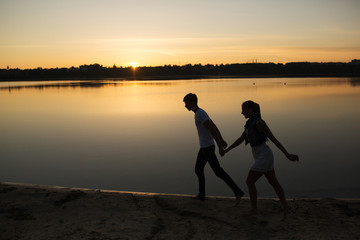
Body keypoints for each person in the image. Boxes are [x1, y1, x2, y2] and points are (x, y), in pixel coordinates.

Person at [224, 100, 299, 219]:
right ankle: (286, 207)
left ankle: (254, 210)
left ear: (250, 110)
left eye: (244, 110)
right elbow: (241, 139)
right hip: (259, 155)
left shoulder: (259, 123)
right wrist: (227, 150)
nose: (242, 112)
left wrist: (287, 154)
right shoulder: (249, 123)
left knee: (250, 181)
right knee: (273, 182)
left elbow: (274, 139)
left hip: (264, 155)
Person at [183, 93, 244, 206]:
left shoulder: (200, 114)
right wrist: (221, 140)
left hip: (208, 148)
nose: (185, 106)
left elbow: (211, 128)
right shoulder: (200, 113)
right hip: (205, 147)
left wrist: (220, 146)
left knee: (218, 172)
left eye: (186, 103)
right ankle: (201, 195)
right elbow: (214, 125)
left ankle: (238, 192)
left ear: (192, 102)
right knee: (198, 169)